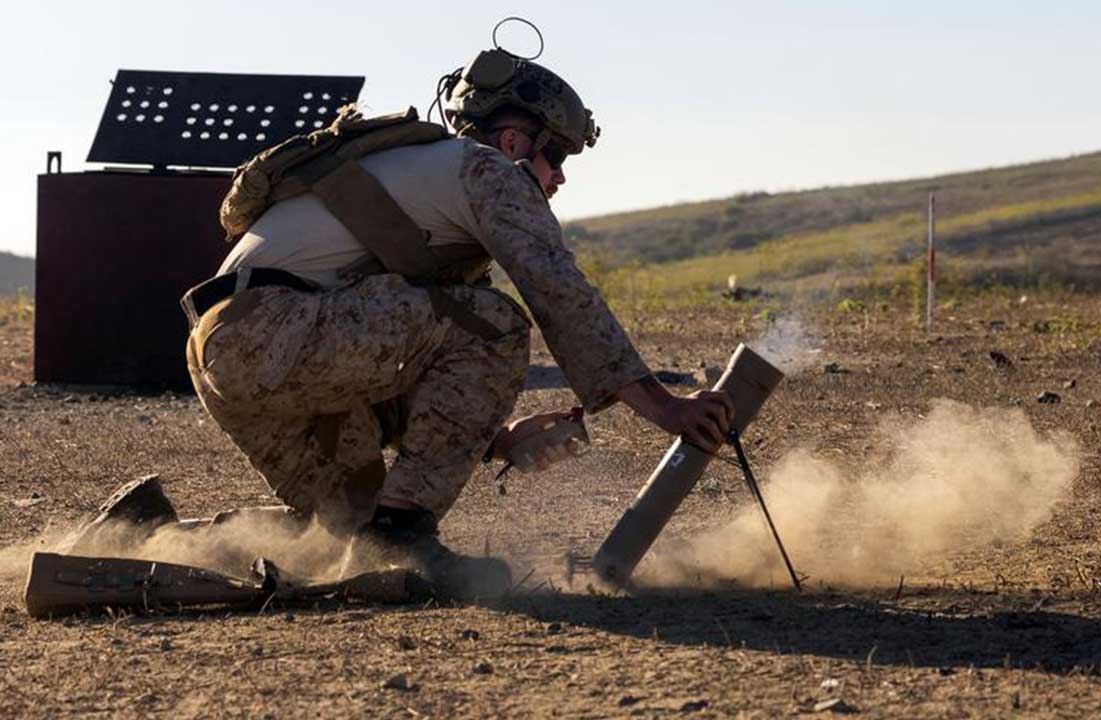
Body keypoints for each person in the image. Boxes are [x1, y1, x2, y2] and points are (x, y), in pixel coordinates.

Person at [162, 51, 735, 598]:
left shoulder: (417, 179)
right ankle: (404, 531)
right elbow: (559, 292)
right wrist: (667, 408)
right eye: (555, 157)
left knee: (351, 528)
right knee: (495, 324)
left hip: (227, 350)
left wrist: (498, 439)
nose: (559, 178)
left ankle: (156, 539)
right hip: (274, 328)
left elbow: (388, 350)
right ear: (515, 140)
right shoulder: (486, 169)